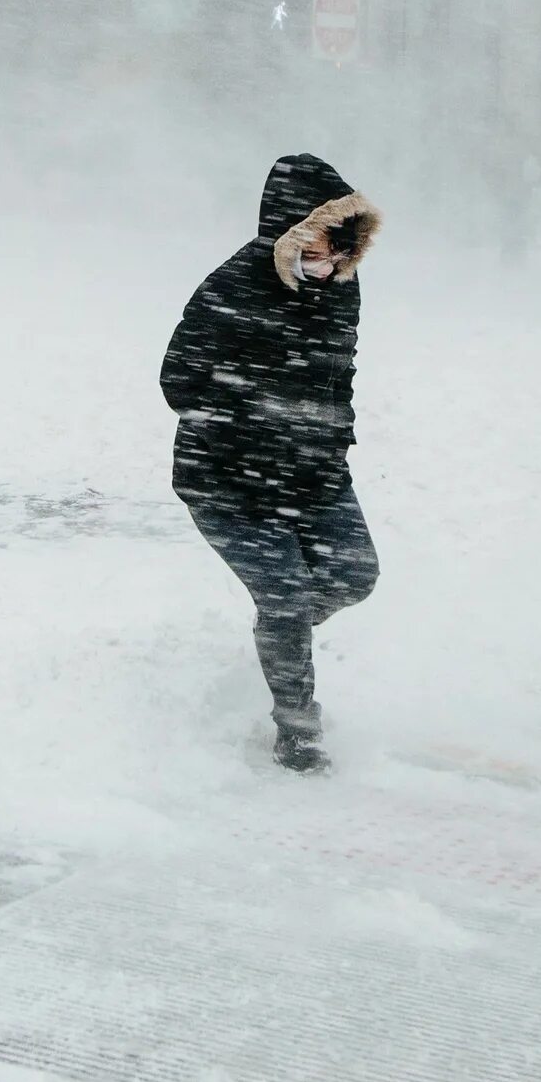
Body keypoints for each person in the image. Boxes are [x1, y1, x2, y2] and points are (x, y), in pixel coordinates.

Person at [161, 154, 383, 773]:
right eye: (318, 246)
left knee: (353, 577)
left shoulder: (340, 284)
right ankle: (298, 729)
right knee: (285, 596)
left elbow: (341, 373)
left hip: (315, 474)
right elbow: (179, 380)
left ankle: (279, 636)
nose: (330, 263)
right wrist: (256, 416)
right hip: (227, 480)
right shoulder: (233, 286)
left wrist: (332, 437)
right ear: (287, 232)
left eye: (341, 250)